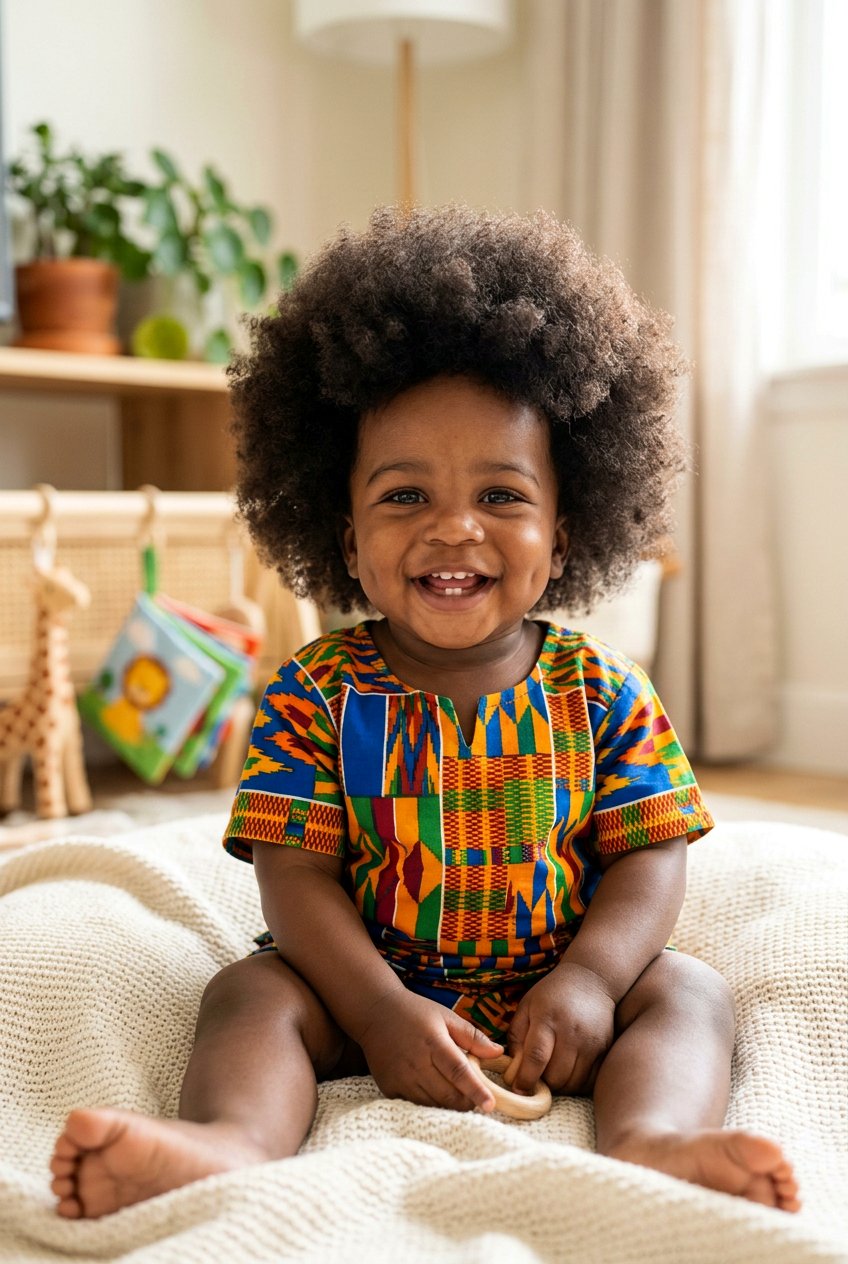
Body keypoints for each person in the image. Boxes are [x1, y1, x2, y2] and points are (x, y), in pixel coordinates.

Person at [50, 206, 800, 1218]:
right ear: (344, 535)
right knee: (248, 992)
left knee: (688, 992)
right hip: (367, 985)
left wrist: (588, 978)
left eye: (501, 494)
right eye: (404, 497)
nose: (454, 527)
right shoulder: (313, 694)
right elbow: (295, 876)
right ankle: (228, 1142)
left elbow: (647, 856)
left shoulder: (604, 693)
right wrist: (373, 1007)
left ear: (565, 530)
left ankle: (654, 1139)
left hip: (557, 993)